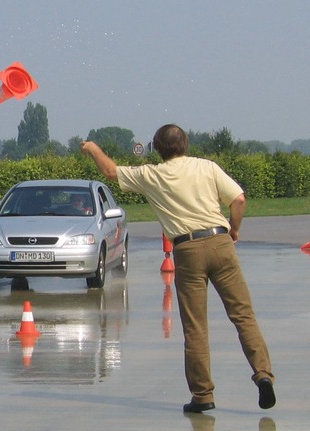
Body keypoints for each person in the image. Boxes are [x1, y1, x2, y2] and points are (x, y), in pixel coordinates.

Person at [81, 124, 275, 413]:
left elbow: (111, 172)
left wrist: (93, 148)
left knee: (196, 327)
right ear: (185, 143)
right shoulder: (207, 167)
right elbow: (239, 199)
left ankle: (203, 395)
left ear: (158, 148)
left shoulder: (152, 175)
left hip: (187, 250)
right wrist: (234, 230)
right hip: (221, 243)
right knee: (243, 315)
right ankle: (263, 374)